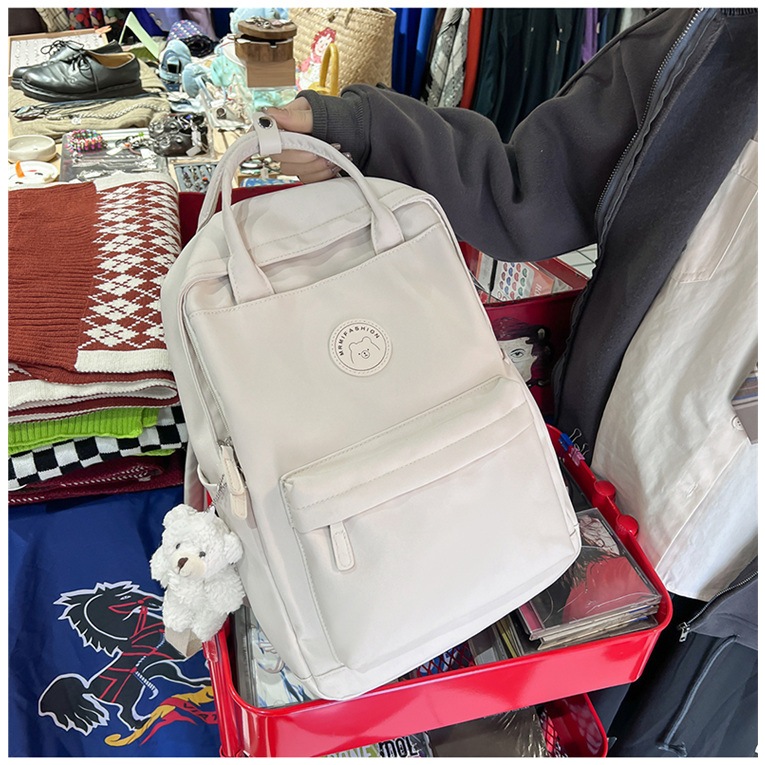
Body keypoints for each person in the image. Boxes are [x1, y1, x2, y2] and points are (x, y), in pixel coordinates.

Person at [265, 8, 758, 757]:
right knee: (532, 718)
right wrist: (359, 130)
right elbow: (526, 187)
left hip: (739, 586)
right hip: (601, 478)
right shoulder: (715, 41)